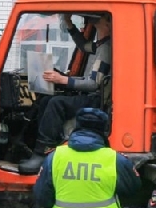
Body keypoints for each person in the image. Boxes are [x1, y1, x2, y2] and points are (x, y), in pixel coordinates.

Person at [18, 13, 113, 174]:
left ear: (109, 25)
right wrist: (69, 24)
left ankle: (43, 152)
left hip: (95, 99)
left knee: (57, 103)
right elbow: (83, 46)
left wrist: (63, 79)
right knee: (46, 100)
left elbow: (93, 84)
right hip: (91, 96)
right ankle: (37, 147)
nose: (94, 22)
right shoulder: (101, 45)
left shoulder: (106, 49)